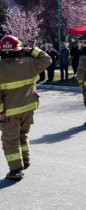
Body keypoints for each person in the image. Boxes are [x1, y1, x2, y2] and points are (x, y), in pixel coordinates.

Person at [0, 35, 51, 180]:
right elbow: (47, 59)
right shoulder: (29, 63)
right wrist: (32, 49)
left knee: (10, 140)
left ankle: (16, 171)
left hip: (9, 113)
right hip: (28, 109)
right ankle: (25, 160)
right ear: (19, 50)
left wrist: (0, 112)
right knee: (22, 134)